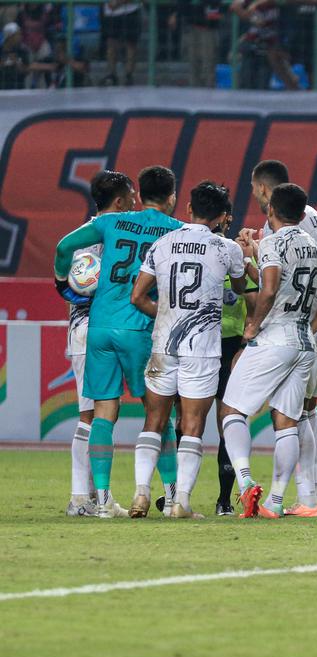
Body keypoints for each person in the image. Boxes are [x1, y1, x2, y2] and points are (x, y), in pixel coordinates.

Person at [52, 166, 184, 518]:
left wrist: (62, 282)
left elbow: (64, 246)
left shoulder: (110, 223)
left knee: (103, 413)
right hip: (139, 327)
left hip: (100, 327)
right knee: (159, 413)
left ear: (139, 195)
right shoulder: (175, 231)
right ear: (171, 197)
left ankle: (103, 499)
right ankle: (172, 497)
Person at [219, 183, 317, 519]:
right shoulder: (312, 245)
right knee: (287, 421)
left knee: (231, 410)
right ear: (302, 214)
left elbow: (270, 289)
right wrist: (309, 328)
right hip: (303, 343)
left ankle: (245, 485)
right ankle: (274, 501)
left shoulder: (272, 242)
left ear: (270, 210)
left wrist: (250, 330)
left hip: (274, 338)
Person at [130, 182, 250, 519]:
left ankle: (141, 493)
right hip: (203, 349)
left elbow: (137, 297)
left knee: (154, 420)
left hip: (164, 344)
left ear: (188, 209)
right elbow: (241, 287)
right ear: (222, 216)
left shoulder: (162, 243)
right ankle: (180, 502)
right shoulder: (226, 248)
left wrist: (166, 316)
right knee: (194, 425)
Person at [251, 159, 317, 516]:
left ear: (262, 189)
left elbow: (275, 283)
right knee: (308, 409)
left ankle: (307, 499)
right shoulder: (312, 214)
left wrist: (251, 254)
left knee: (292, 413)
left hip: (305, 322)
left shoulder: (276, 230)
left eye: (254, 189)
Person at [64, 171, 137, 517]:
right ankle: (80, 497)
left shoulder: (85, 236)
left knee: (99, 413)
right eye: (132, 198)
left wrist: (63, 286)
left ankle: (92, 496)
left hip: (91, 328)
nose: (136, 205)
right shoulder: (106, 234)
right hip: (92, 328)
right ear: (119, 202)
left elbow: (69, 278)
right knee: (90, 416)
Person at [211, 208, 256, 516]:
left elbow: (254, 304)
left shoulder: (234, 257)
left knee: (226, 420)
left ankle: (224, 499)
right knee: (188, 421)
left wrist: (244, 343)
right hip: (199, 343)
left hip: (229, 345)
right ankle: (173, 495)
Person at [101, 1, 141, 86]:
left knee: (130, 44)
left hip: (130, 11)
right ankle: (112, 74)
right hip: (110, 12)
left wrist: (119, 2)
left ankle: (128, 75)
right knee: (111, 44)